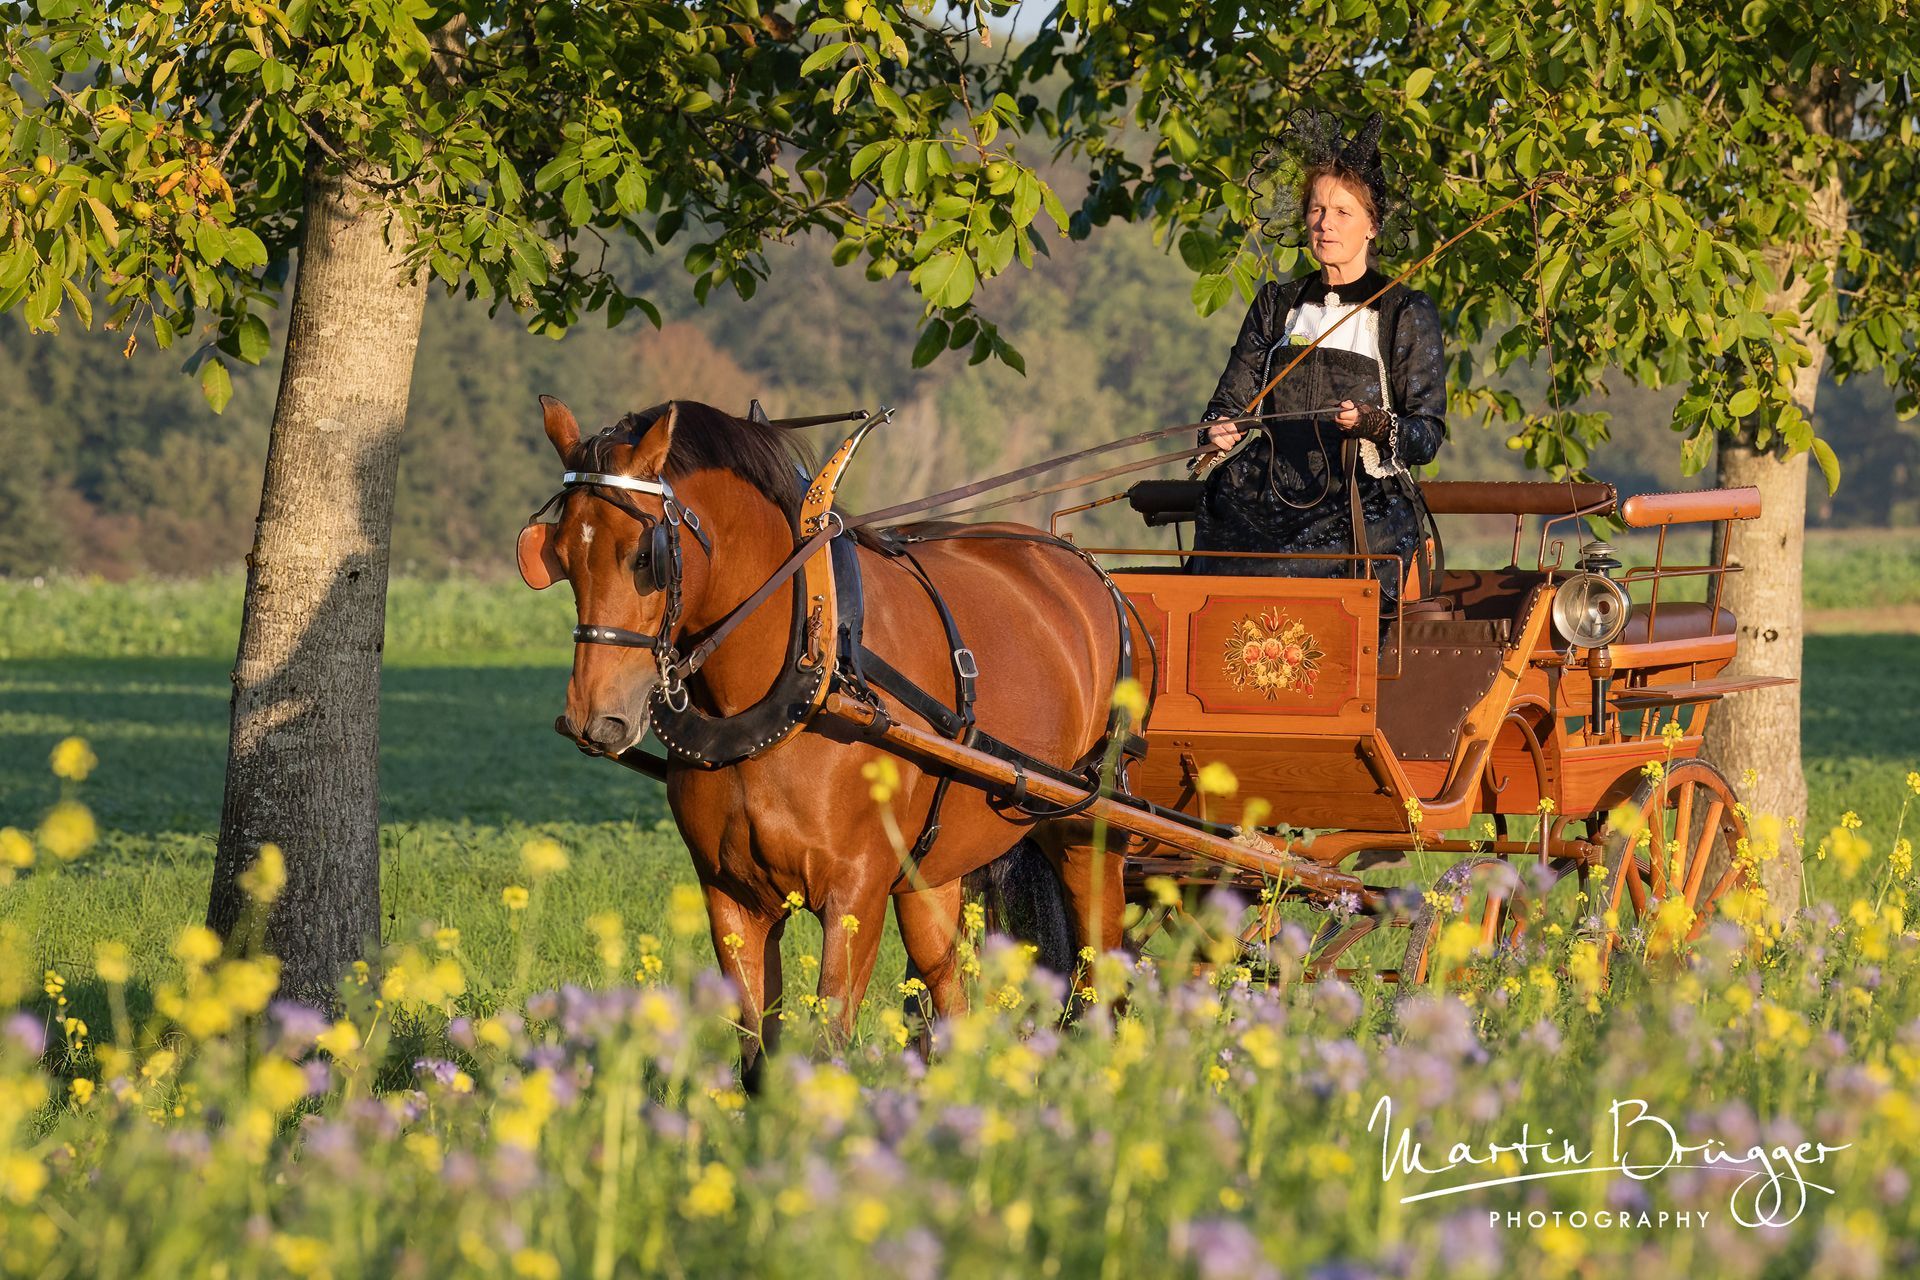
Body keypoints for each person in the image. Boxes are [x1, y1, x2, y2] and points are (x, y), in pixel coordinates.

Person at [1188, 109, 1446, 610]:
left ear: (1372, 226)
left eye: (1343, 212)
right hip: (1267, 492)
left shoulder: (1402, 311)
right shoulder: (1276, 305)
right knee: (1220, 528)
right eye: (1317, 210)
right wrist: (1219, 429)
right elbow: (1228, 403)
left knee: (1302, 560)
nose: (1325, 225)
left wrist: (1374, 423)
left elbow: (1427, 435)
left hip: (1359, 502)